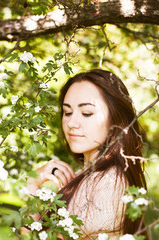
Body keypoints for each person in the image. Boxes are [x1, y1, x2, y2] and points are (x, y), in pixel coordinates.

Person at [27, 69, 147, 239]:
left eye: (87, 113)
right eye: (67, 112)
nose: (71, 123)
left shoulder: (108, 184)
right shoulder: (90, 175)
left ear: (116, 119)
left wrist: (32, 190)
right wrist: (34, 186)